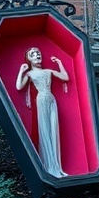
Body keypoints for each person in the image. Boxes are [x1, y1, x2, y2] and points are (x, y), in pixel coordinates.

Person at [16, 47, 69, 177]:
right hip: (41, 100)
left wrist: (59, 63)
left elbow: (65, 77)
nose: (36, 55)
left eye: (38, 53)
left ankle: (56, 165)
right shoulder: (30, 74)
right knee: (44, 129)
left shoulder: (48, 71)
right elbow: (19, 87)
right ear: (28, 59)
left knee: (53, 129)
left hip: (51, 99)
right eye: (33, 54)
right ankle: (49, 166)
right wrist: (21, 71)